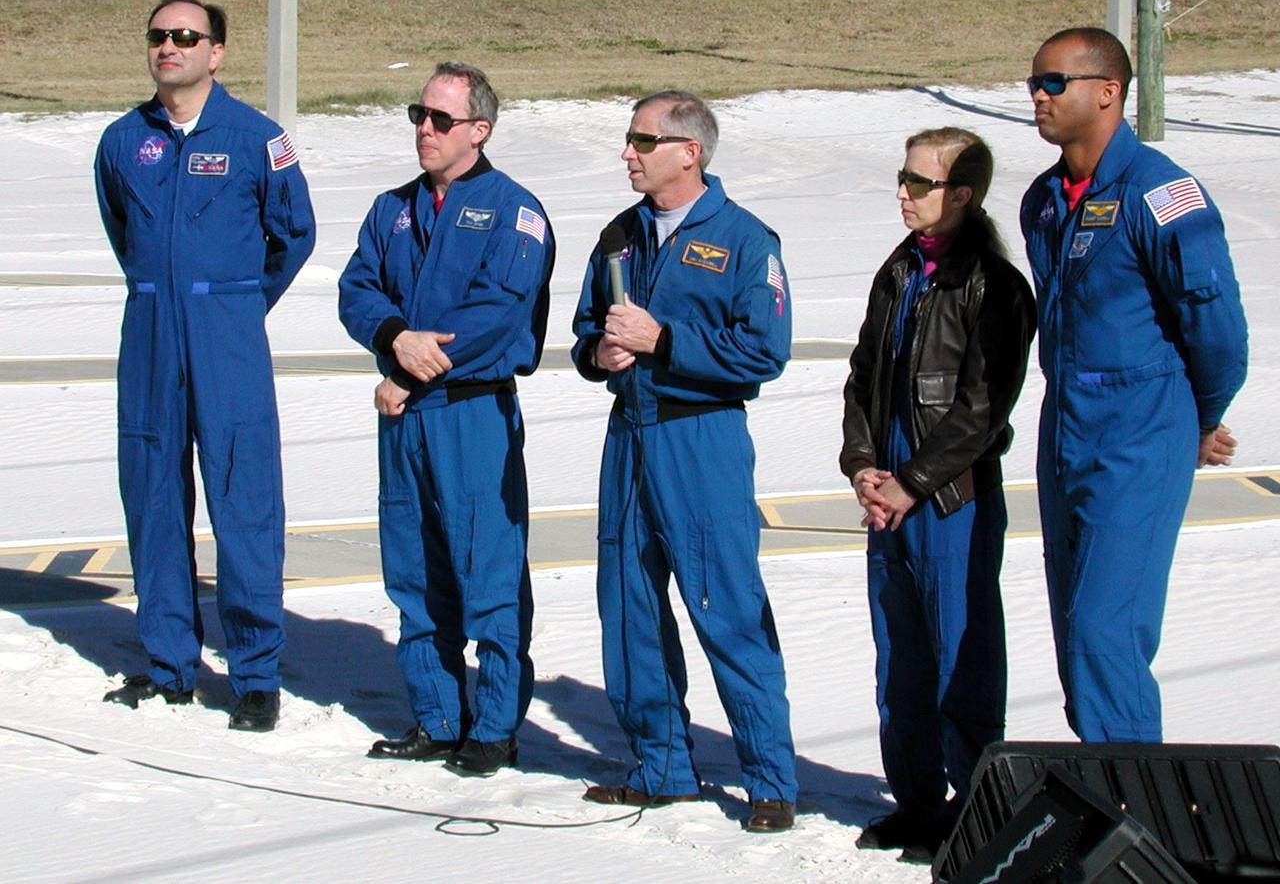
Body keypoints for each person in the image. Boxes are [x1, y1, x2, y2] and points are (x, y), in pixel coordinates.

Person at [571, 90, 798, 833]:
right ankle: (661, 766)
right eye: (628, 138)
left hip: (701, 439)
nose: (628, 152)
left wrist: (665, 341)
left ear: (689, 151)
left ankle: (769, 779)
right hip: (628, 435)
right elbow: (586, 329)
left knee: (725, 607)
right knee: (629, 608)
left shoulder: (744, 240)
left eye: (643, 139)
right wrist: (598, 353)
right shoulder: (619, 236)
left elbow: (762, 353)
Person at [94, 0, 315, 732]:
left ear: (215, 52)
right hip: (151, 332)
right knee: (153, 496)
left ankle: (255, 673)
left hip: (228, 338)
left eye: (186, 37)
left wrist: (239, 303)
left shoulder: (258, 137)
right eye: (158, 35)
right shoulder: (124, 141)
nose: (169, 47)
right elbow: (121, 226)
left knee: (244, 500)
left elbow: (295, 233)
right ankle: (169, 663)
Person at [1021, 27, 1247, 743]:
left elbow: (1218, 331)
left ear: (1108, 91)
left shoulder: (1163, 192)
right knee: (1072, 630)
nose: (1037, 96)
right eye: (1034, 81)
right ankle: (1102, 785)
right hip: (1066, 432)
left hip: (1140, 434)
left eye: (1054, 82)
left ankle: (1133, 809)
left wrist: (1194, 419)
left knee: (1105, 628)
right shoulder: (1044, 201)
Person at [338, 63, 554, 778]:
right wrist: (394, 333)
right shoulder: (391, 208)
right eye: (417, 116)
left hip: (469, 413)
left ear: (480, 130)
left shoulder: (513, 212)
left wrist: (406, 369)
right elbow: (356, 287)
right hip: (404, 424)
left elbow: (496, 317)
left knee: (486, 568)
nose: (424, 130)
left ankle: (493, 725)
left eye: (440, 119)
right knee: (414, 568)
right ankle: (437, 715)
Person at [840, 128, 1036, 861]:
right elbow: (863, 375)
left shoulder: (993, 284)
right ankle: (917, 800)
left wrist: (912, 483)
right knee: (902, 656)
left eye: (919, 183)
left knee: (963, 657)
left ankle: (978, 808)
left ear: (963, 194)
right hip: (887, 496)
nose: (903, 192)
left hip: (950, 500)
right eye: (902, 177)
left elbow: (984, 408)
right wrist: (863, 463)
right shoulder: (899, 271)